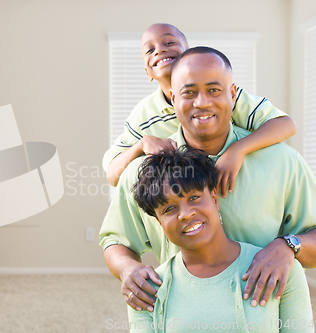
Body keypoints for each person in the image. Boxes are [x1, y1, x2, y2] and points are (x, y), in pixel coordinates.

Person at [99, 47, 316, 315]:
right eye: (189, 92)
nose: (202, 102)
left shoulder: (283, 162)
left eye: (214, 90)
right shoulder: (143, 171)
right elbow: (116, 240)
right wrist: (127, 268)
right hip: (182, 317)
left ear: (233, 94)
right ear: (172, 96)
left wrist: (289, 246)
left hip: (263, 317)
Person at [127, 148, 313, 333]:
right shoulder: (146, 290)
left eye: (194, 197)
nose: (186, 214)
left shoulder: (279, 268)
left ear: (214, 198)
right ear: (159, 222)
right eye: (168, 209)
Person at [103, 23, 297, 199]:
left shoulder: (225, 97)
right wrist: (141, 145)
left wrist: (237, 150)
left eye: (169, 42)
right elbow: (113, 175)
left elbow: (286, 125)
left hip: (237, 190)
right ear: (148, 72)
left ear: (189, 53)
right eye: (150, 50)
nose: (160, 50)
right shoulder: (144, 115)